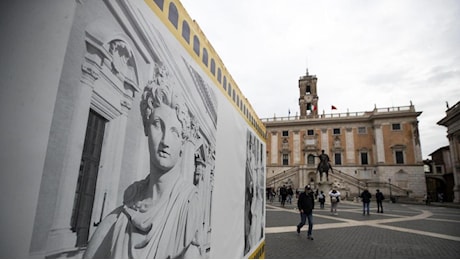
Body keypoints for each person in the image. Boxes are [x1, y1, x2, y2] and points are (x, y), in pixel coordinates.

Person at [84, 64, 202, 258]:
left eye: (174, 131)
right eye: (157, 125)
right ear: (146, 128)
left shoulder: (186, 208)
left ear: (182, 141)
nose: (165, 141)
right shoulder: (123, 213)